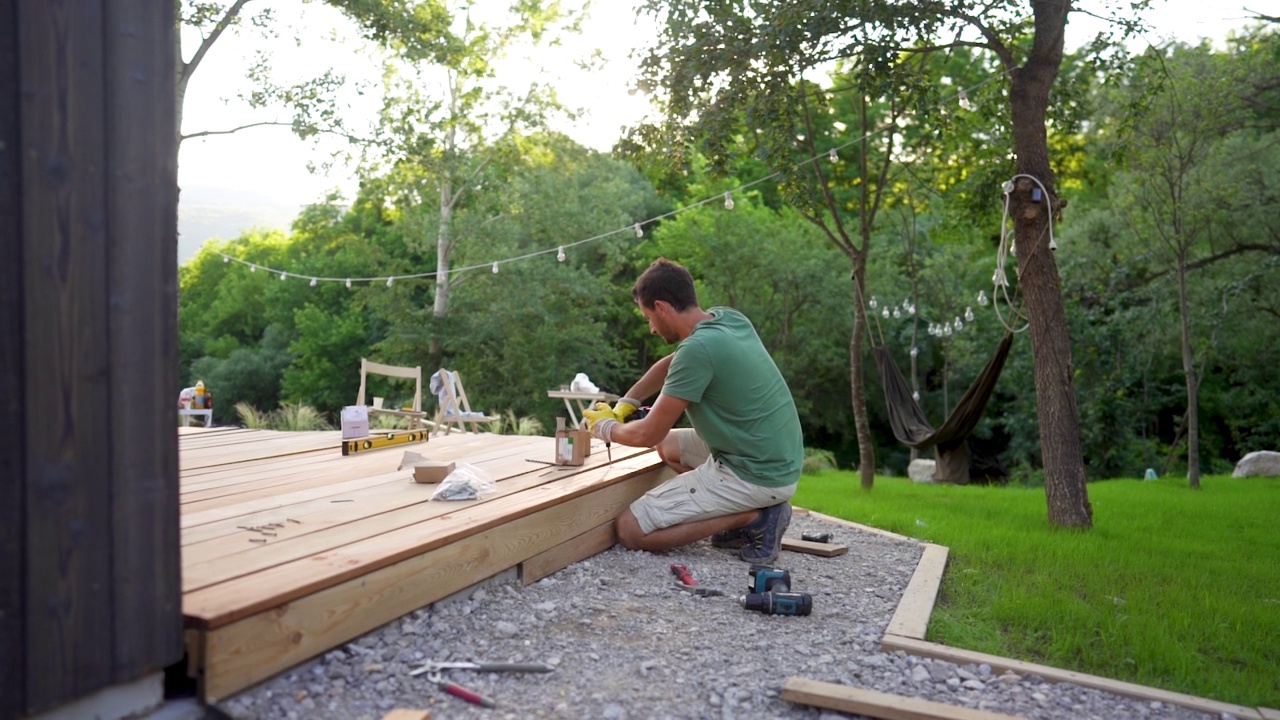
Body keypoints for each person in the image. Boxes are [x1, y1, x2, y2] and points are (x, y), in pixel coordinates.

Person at [584, 258, 803, 564]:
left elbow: (648, 433)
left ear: (662, 308)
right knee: (669, 446)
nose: (650, 328)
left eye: (649, 317)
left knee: (631, 531)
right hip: (772, 456)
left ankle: (753, 517)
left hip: (756, 473)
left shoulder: (698, 350)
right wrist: (626, 403)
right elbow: (670, 364)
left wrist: (605, 428)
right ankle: (730, 504)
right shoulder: (728, 319)